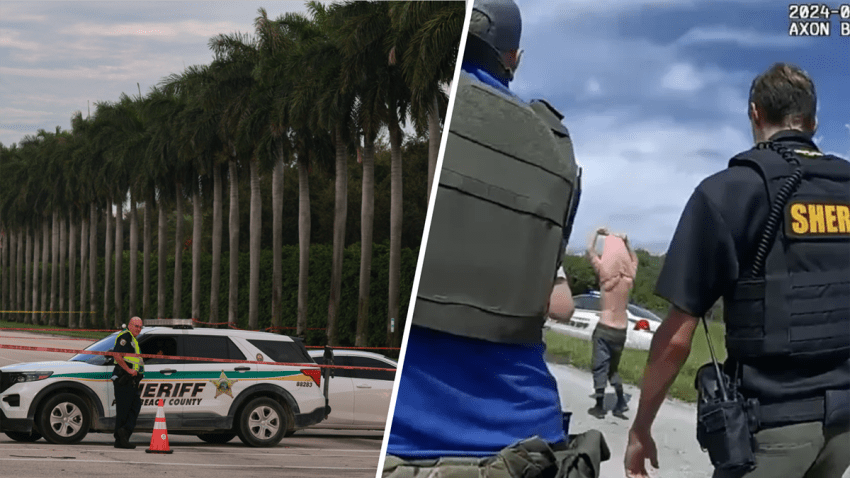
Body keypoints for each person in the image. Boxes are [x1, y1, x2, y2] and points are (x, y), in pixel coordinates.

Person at [383, 1, 604, 476]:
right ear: (514, 59)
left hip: (403, 439)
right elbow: (556, 301)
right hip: (521, 442)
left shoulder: (419, 116)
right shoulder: (553, 146)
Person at [625, 63, 849, 478]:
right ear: (814, 122)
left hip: (772, 427)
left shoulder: (727, 191)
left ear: (754, 114)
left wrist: (641, 428)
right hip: (844, 426)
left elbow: (676, 337)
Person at [585, 228, 638, 419]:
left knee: (600, 366)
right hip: (621, 330)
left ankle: (599, 406)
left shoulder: (604, 272)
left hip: (605, 327)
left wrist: (597, 234)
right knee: (613, 368)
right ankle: (621, 401)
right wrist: (627, 242)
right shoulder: (629, 277)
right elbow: (634, 260)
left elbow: (590, 250)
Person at [112, 316, 144, 449]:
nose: (138, 329)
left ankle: (122, 437)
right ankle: (121, 438)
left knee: (133, 406)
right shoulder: (125, 337)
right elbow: (117, 355)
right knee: (124, 410)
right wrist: (129, 370)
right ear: (130, 325)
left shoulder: (133, 339)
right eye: (136, 326)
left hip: (131, 380)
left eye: (140, 327)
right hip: (124, 378)